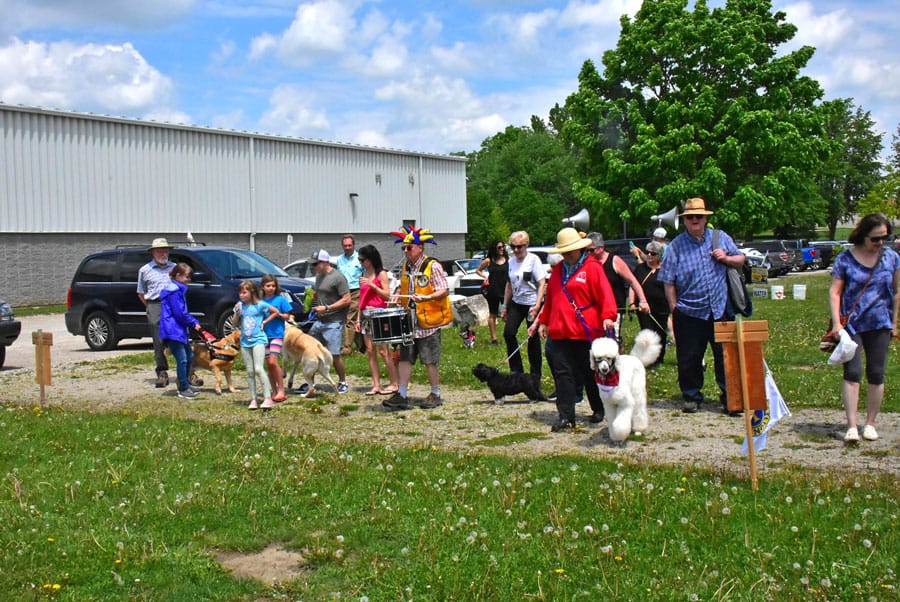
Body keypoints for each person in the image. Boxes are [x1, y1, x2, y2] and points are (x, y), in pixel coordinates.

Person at [657, 197, 745, 414]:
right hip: (688, 311)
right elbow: (668, 281)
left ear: (705, 219)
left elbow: (741, 259)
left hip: (720, 308)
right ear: (685, 220)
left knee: (726, 356)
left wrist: (726, 258)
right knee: (689, 357)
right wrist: (674, 306)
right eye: (690, 217)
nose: (694, 220)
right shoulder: (676, 246)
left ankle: (730, 397)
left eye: (699, 216)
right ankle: (692, 396)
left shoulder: (720, 238)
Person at [529, 227, 618, 431]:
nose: (567, 253)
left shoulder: (593, 268)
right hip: (561, 331)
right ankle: (566, 416)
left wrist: (608, 316)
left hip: (585, 331)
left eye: (571, 249)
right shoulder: (559, 269)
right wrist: (544, 321)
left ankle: (598, 408)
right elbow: (551, 298)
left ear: (579, 249)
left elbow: (605, 294)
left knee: (589, 373)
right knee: (563, 375)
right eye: (564, 250)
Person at [828, 213, 900, 443]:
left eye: (884, 238)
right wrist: (837, 324)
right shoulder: (846, 259)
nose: (880, 244)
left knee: (877, 374)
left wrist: (894, 323)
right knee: (853, 373)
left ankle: (870, 423)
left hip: (880, 323)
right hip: (853, 324)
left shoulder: (891, 258)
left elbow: (896, 291)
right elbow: (835, 291)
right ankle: (851, 425)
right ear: (863, 235)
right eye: (875, 239)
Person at [383, 226, 452, 410]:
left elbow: (444, 289)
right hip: (409, 321)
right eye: (404, 248)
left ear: (420, 247)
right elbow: (403, 286)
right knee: (405, 357)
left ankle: (435, 393)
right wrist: (398, 294)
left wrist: (427, 297)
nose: (405, 251)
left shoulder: (432, 265)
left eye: (409, 247)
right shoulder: (406, 266)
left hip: (428, 321)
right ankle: (402, 393)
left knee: (429, 359)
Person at [587, 232, 650, 347]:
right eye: (586, 251)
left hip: (614, 308)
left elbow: (632, 281)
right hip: (595, 308)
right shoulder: (589, 263)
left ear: (601, 248)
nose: (588, 253)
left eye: (591, 250)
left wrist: (643, 300)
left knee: (613, 341)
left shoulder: (614, 261)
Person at [356, 244, 400, 395]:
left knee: (383, 351)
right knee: (370, 351)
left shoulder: (381, 274)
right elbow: (361, 299)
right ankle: (376, 385)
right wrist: (358, 319)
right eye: (360, 260)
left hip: (379, 313)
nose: (361, 262)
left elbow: (387, 295)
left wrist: (372, 286)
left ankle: (394, 383)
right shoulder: (363, 274)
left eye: (363, 259)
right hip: (366, 315)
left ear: (370, 259)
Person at [501, 231, 546, 376]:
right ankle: (516, 371)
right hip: (517, 302)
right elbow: (509, 285)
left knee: (532, 339)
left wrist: (538, 305)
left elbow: (541, 283)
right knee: (508, 333)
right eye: (513, 246)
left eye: (519, 247)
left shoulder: (533, 260)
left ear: (526, 245)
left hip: (532, 303)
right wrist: (504, 306)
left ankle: (535, 376)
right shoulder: (511, 262)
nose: (516, 250)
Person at [158, 262, 204, 399]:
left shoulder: (178, 289)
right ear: (177, 275)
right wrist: (194, 323)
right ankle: (183, 388)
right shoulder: (174, 291)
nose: (188, 280)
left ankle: (185, 384)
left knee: (189, 356)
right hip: (172, 329)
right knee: (182, 359)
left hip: (178, 329)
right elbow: (179, 313)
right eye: (186, 277)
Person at [310, 249, 352, 394]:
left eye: (316, 264)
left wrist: (327, 308)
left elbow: (347, 299)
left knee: (334, 354)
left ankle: (343, 381)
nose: (313, 267)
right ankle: (311, 384)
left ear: (324, 262)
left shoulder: (338, 277)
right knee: (311, 352)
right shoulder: (319, 276)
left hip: (334, 322)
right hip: (320, 321)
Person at [234, 280, 280, 410]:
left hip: (258, 339)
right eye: (240, 293)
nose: (241, 295)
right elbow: (234, 323)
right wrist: (237, 313)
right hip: (245, 341)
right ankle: (253, 399)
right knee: (249, 371)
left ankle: (267, 398)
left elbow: (275, 311)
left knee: (259, 368)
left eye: (244, 292)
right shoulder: (240, 306)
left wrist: (264, 322)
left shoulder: (260, 305)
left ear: (251, 292)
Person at [137, 238, 176, 388]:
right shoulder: (145, 270)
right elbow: (141, 292)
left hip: (173, 304)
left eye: (165, 250)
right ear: (153, 253)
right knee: (158, 338)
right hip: (155, 303)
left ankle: (187, 372)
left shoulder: (174, 268)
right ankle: (162, 372)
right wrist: (151, 306)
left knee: (181, 336)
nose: (163, 253)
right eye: (160, 250)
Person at [629, 240, 669, 368]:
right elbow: (633, 286)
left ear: (659, 255)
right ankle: (649, 359)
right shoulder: (640, 268)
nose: (650, 255)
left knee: (660, 334)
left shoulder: (665, 270)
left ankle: (659, 358)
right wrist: (631, 303)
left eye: (653, 253)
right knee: (647, 332)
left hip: (661, 307)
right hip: (644, 308)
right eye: (648, 253)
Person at [260, 274, 293, 403]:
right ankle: (273, 390)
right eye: (268, 286)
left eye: (273, 286)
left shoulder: (280, 300)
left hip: (277, 334)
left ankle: (281, 389)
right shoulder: (259, 301)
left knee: (273, 361)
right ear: (263, 287)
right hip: (263, 335)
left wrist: (279, 314)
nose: (271, 288)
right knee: (269, 364)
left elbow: (288, 316)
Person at [475, 240, 509, 345]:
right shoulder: (489, 260)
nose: (502, 249)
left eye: (503, 247)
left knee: (508, 314)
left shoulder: (508, 259)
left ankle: (509, 335)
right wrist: (485, 277)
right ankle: (494, 338)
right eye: (499, 247)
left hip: (506, 290)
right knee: (493, 314)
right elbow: (478, 270)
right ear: (494, 248)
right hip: (493, 290)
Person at [336, 235, 364, 355]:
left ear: (353, 245)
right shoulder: (339, 260)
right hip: (343, 292)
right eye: (345, 245)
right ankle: (362, 347)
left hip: (356, 291)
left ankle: (347, 347)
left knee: (350, 318)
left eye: (349, 245)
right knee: (351, 319)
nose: (347, 248)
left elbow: (365, 274)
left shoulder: (360, 258)